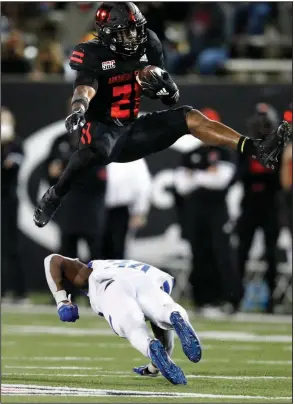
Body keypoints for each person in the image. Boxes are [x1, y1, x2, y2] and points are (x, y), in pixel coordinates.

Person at [33, 2, 290, 229]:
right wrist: (79, 108)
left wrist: (163, 86)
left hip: (134, 128)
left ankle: (255, 147)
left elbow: (170, 99)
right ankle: (54, 196)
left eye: (135, 28)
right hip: (104, 128)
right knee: (94, 150)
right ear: (107, 34)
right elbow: (85, 87)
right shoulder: (91, 53)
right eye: (126, 31)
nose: (134, 36)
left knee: (189, 116)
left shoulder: (149, 42)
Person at [44, 254, 202, 385]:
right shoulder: (133, 267)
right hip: (148, 279)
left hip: (111, 286)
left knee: (132, 327)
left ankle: (148, 344)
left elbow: (53, 260)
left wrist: (62, 301)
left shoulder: (96, 270)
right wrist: (152, 369)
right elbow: (165, 344)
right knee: (165, 312)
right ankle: (175, 315)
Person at [175, 109, 240, 316]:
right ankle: (202, 300)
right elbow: (181, 185)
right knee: (198, 253)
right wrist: (205, 175)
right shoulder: (190, 154)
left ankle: (228, 300)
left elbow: (220, 180)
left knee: (221, 253)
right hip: (195, 211)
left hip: (217, 210)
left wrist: (195, 175)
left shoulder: (225, 152)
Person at [236, 103, 282, 313]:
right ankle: (236, 297)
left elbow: (280, 178)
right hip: (251, 204)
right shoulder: (247, 146)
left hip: (271, 204)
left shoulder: (280, 147)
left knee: (270, 254)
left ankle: (272, 299)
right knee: (241, 251)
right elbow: (240, 174)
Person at [1, 107, 28, 303]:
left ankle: (19, 291)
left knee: (10, 246)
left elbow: (12, 167)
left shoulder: (16, 144)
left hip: (7, 200)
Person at [103, 158, 152, 259]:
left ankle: (117, 274)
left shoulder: (132, 155)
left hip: (119, 209)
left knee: (117, 249)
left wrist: (139, 210)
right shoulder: (95, 150)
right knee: (97, 250)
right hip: (94, 207)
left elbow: (143, 183)